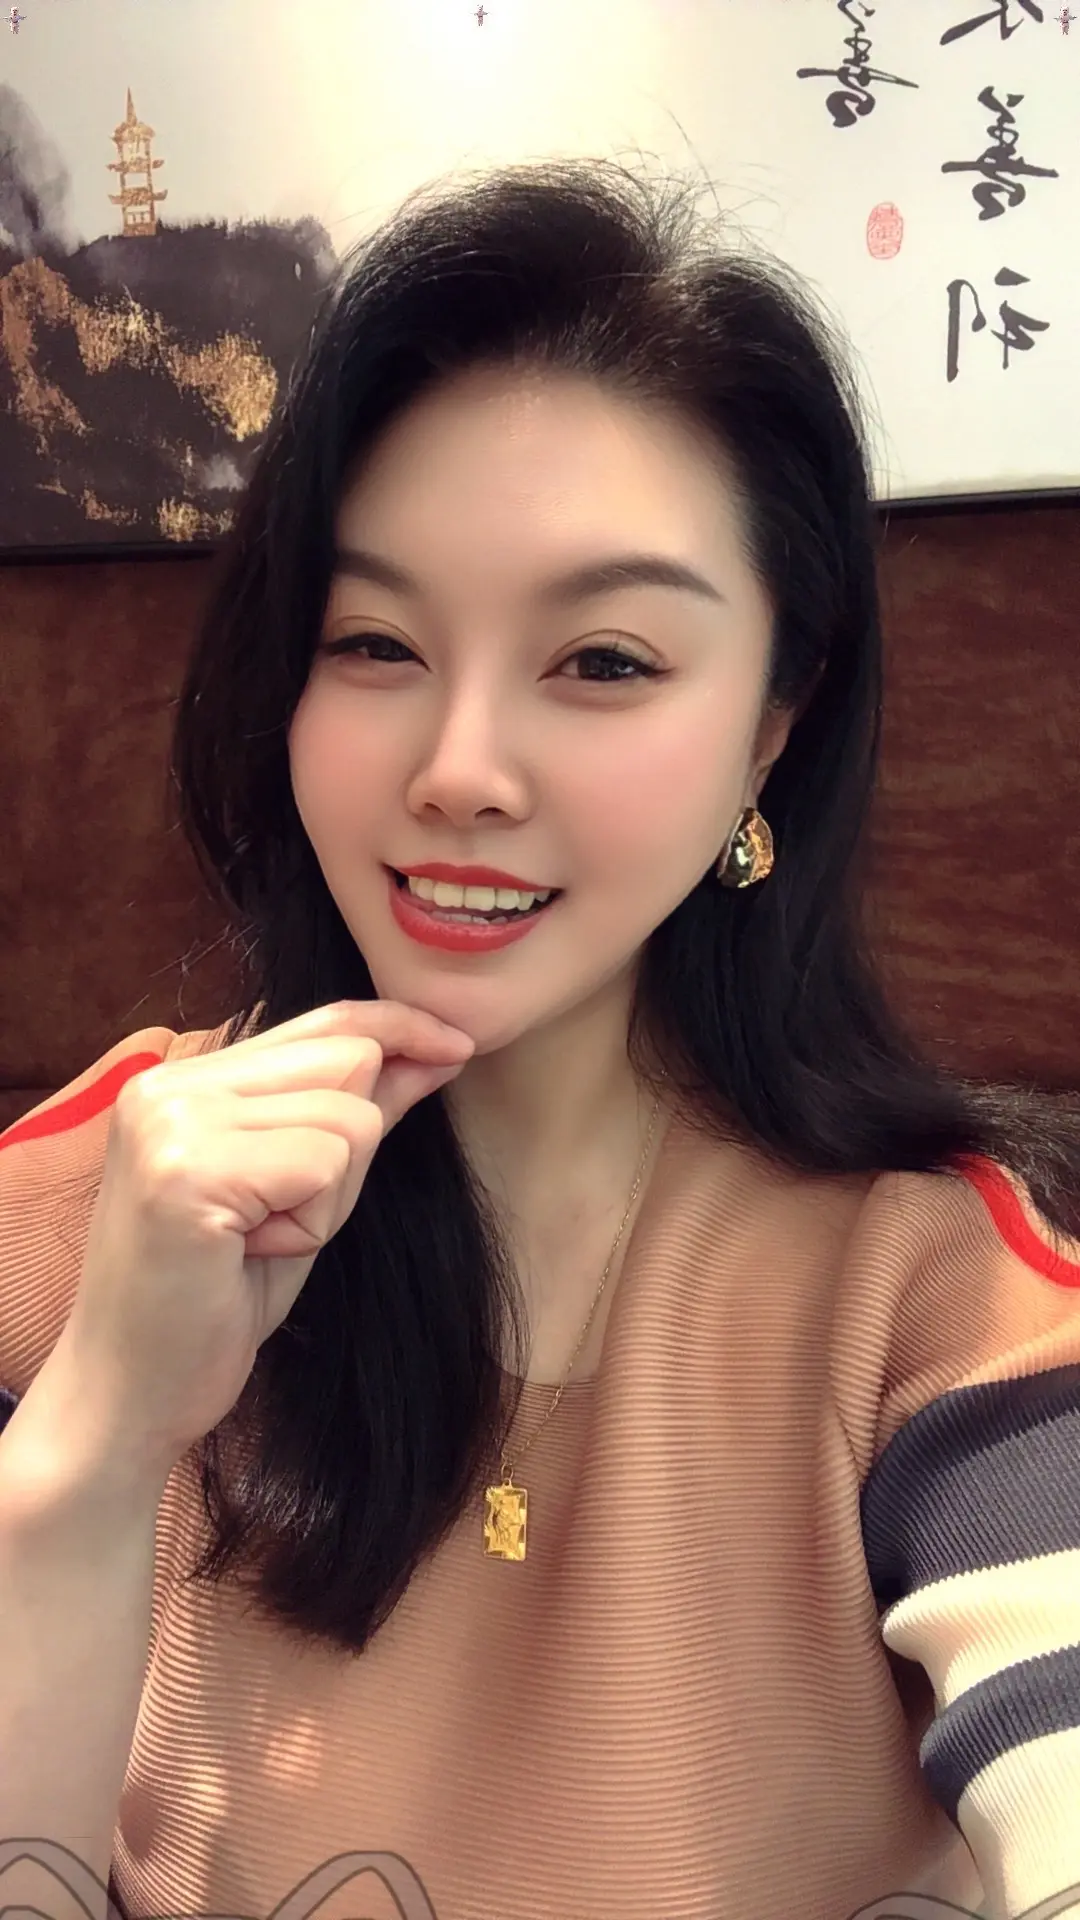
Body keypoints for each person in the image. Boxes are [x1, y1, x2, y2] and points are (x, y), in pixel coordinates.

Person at [1, 156, 1078, 1920]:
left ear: (775, 725)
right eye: (373, 642)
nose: (460, 771)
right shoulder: (85, 1204)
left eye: (604, 662)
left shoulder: (937, 1295)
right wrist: (96, 1441)